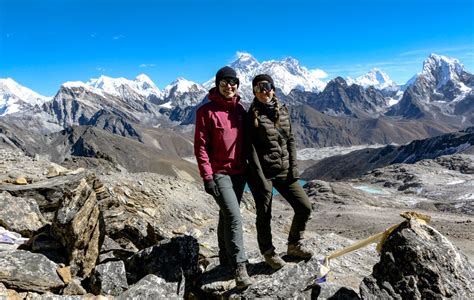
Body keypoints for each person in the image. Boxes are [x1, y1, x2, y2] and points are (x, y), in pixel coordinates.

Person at [246, 74, 313, 270]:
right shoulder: (251, 116)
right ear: (254, 92)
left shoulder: (283, 111)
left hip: (284, 171)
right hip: (263, 174)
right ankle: (268, 253)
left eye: (266, 87)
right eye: (258, 88)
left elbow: (290, 139)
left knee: (304, 207)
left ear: (273, 89)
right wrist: (260, 178)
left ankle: (294, 245)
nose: (263, 91)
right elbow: (250, 149)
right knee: (264, 214)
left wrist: (293, 168)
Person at [194, 66, 252, 288]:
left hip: (240, 173)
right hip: (219, 172)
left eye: (233, 82)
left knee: (226, 214)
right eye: (225, 82)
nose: (229, 86)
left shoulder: (241, 110)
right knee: (235, 216)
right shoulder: (205, 112)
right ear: (217, 84)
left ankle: (225, 255)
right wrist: (207, 176)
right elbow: (200, 147)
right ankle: (239, 264)